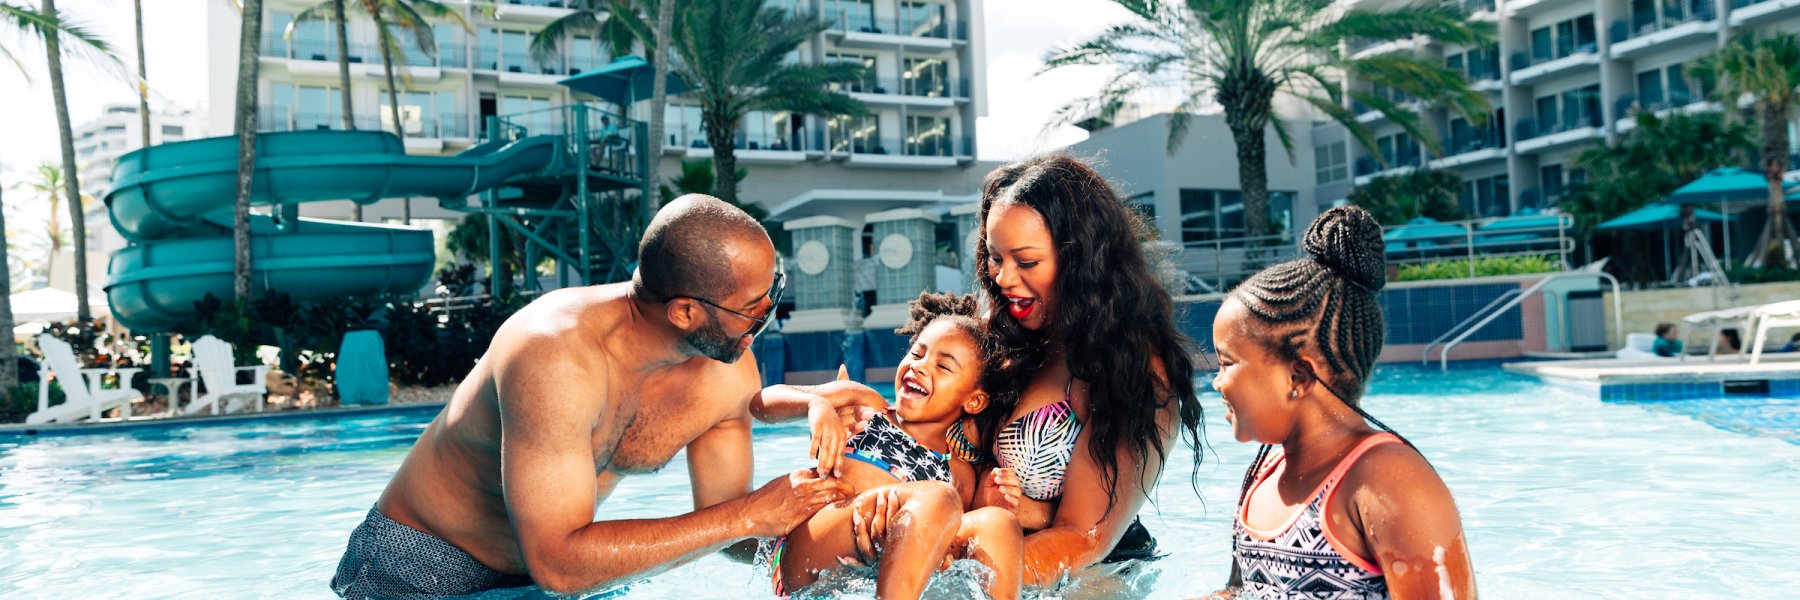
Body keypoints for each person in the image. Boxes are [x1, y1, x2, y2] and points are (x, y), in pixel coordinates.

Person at [330, 195, 859, 599]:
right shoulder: (554, 355)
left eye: (774, 292)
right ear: (684, 313)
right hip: (423, 563)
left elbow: (730, 531)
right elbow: (558, 563)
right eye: (753, 307)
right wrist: (748, 515)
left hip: (556, 573)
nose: (767, 317)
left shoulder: (726, 368)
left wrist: (843, 514)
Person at [926, 154, 1205, 586]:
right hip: (990, 554)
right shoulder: (1003, 338)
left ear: (1082, 262)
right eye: (996, 258)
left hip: (1095, 577)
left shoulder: (1135, 370)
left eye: (1027, 262)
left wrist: (958, 574)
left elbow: (1085, 537)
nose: (1002, 279)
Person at [1207, 206, 1475, 599]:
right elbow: (1238, 590)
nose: (1216, 382)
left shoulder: (1387, 482)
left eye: (1227, 363)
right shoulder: (1265, 469)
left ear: (1298, 376)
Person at [754, 292, 1024, 600]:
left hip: (874, 577)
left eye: (943, 366)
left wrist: (994, 504)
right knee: (937, 497)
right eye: (917, 353)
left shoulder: (959, 473)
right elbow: (762, 402)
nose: (920, 367)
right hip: (813, 552)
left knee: (998, 524)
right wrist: (815, 405)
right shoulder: (866, 406)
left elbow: (956, 543)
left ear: (974, 401)